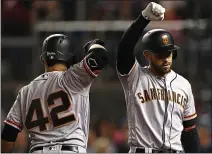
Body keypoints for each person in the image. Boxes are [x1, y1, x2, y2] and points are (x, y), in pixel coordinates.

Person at [1, 34, 108, 153]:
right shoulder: (74, 77)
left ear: (43, 59)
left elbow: (8, 134)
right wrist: (92, 45)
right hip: (70, 149)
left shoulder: (26, 91)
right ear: (69, 59)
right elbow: (100, 56)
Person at [116, 2, 200, 153]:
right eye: (160, 54)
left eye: (168, 53)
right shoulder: (135, 77)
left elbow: (190, 130)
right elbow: (124, 48)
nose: (166, 59)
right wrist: (144, 18)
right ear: (147, 55)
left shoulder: (183, 84)